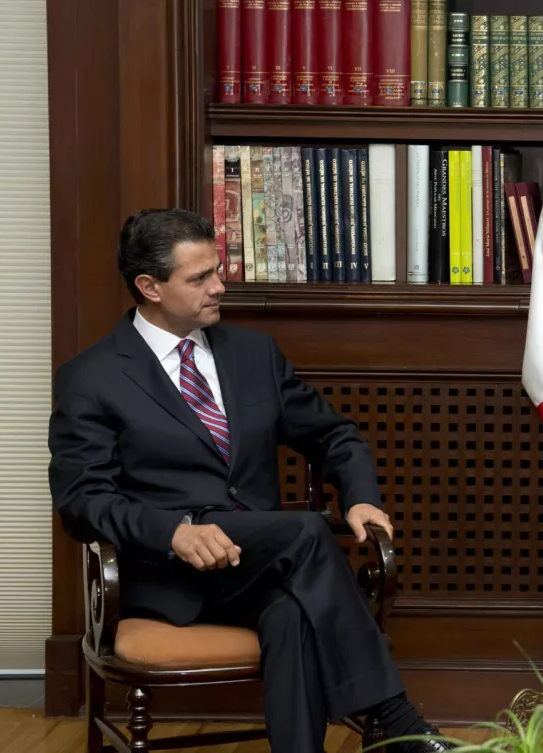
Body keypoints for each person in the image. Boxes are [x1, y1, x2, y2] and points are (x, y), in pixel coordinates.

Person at [48, 209, 453, 753]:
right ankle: (396, 720)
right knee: (307, 541)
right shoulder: (91, 378)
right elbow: (81, 501)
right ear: (149, 287)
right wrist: (175, 531)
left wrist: (360, 500)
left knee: (292, 608)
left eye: (217, 270)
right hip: (172, 576)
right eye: (199, 279)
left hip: (262, 564)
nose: (219, 286)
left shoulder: (254, 355)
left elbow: (336, 436)